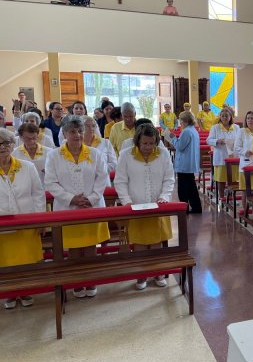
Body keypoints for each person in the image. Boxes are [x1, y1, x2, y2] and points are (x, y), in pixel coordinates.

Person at [44, 116, 110, 298]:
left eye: (80, 131)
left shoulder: (94, 153)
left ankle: (90, 281)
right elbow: (50, 182)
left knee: (91, 247)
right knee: (72, 248)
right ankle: (77, 282)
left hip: (92, 206)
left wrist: (92, 198)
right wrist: (71, 199)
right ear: (64, 133)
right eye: (72, 131)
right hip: (67, 209)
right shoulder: (54, 155)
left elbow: (102, 177)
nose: (78, 135)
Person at [115, 123, 175, 290]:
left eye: (151, 143)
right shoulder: (126, 155)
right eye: (144, 143)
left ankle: (158, 273)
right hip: (136, 205)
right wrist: (126, 201)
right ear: (137, 142)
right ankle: (141, 275)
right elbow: (120, 181)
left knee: (156, 242)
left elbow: (169, 178)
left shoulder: (163, 154)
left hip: (158, 205)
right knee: (139, 243)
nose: (148, 147)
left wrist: (164, 197)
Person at [0, 128, 46, 309]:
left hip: (26, 220)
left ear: (13, 145)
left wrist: (40, 220)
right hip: (2, 225)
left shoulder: (27, 166)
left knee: (26, 259)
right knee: (5, 260)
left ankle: (27, 290)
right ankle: (10, 293)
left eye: (6, 142)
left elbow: (38, 194)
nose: (2, 147)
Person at [170, 112, 202, 214]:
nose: (180, 122)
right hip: (189, 163)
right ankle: (196, 207)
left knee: (183, 189)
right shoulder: (193, 130)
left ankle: (184, 209)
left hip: (184, 164)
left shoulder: (186, 131)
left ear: (185, 121)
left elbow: (180, 147)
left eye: (181, 120)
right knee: (191, 187)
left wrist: (173, 138)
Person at [206, 107, 238, 201]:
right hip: (221, 156)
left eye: (226, 116)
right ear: (220, 117)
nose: (224, 118)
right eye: (222, 116)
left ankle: (231, 198)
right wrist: (217, 141)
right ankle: (221, 198)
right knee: (221, 179)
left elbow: (240, 140)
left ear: (230, 117)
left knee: (233, 179)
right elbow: (208, 140)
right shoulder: (215, 128)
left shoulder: (236, 127)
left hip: (233, 157)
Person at [234, 111, 253, 210]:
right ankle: (244, 210)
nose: (250, 120)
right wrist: (245, 152)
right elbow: (236, 147)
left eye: (252, 118)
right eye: (248, 118)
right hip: (246, 163)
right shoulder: (242, 131)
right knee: (245, 189)